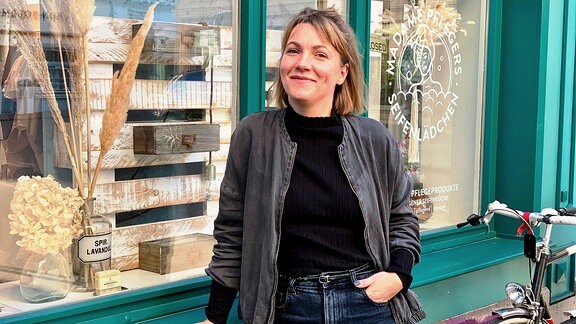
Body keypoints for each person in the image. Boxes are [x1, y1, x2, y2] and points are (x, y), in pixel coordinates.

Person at [200, 7, 425, 324]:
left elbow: (401, 220)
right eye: (293, 50)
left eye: (320, 54)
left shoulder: (375, 140)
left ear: (342, 73)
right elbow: (232, 234)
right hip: (287, 308)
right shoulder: (254, 136)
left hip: (368, 304)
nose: (302, 63)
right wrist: (215, 316)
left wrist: (398, 276)